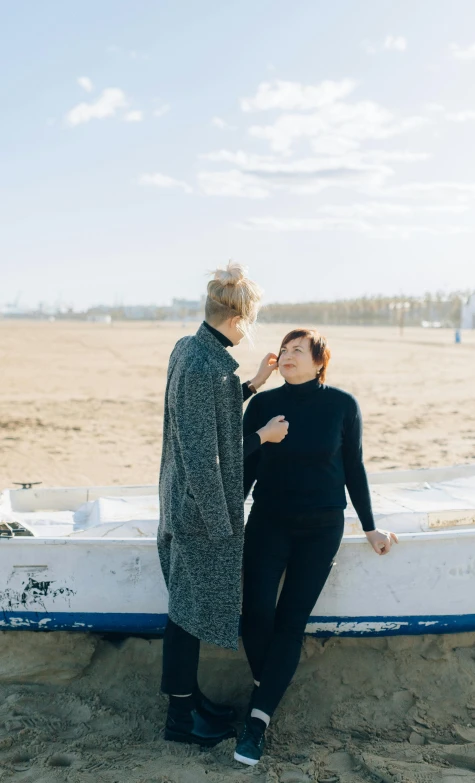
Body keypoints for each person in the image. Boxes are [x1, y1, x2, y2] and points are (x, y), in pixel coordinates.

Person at [235, 328, 398, 766]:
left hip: (321, 528)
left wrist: (370, 528)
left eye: (297, 350)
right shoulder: (264, 406)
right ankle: (267, 684)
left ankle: (258, 722)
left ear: (319, 361)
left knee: (291, 622)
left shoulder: (342, 406)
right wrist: (231, 519)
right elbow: (246, 468)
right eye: (283, 350)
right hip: (267, 522)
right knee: (253, 615)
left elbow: (353, 468)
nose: (287, 356)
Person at [157, 263, 289, 747]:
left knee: (187, 609)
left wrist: (252, 385)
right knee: (185, 615)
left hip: (187, 502)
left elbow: (206, 417)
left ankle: (191, 703)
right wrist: (262, 436)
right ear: (239, 318)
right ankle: (180, 719)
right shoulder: (200, 365)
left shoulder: (193, 351)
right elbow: (201, 451)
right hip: (198, 510)